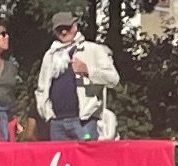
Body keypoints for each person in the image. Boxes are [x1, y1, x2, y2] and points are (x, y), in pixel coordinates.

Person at [36, 13, 120, 141]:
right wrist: (47, 114)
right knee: (61, 160)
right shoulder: (50, 55)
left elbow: (113, 79)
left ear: (75, 26)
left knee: (87, 160)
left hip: (84, 122)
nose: (64, 32)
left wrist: (88, 71)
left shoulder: (92, 49)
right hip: (57, 122)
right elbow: (42, 88)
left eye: (67, 27)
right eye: (59, 29)